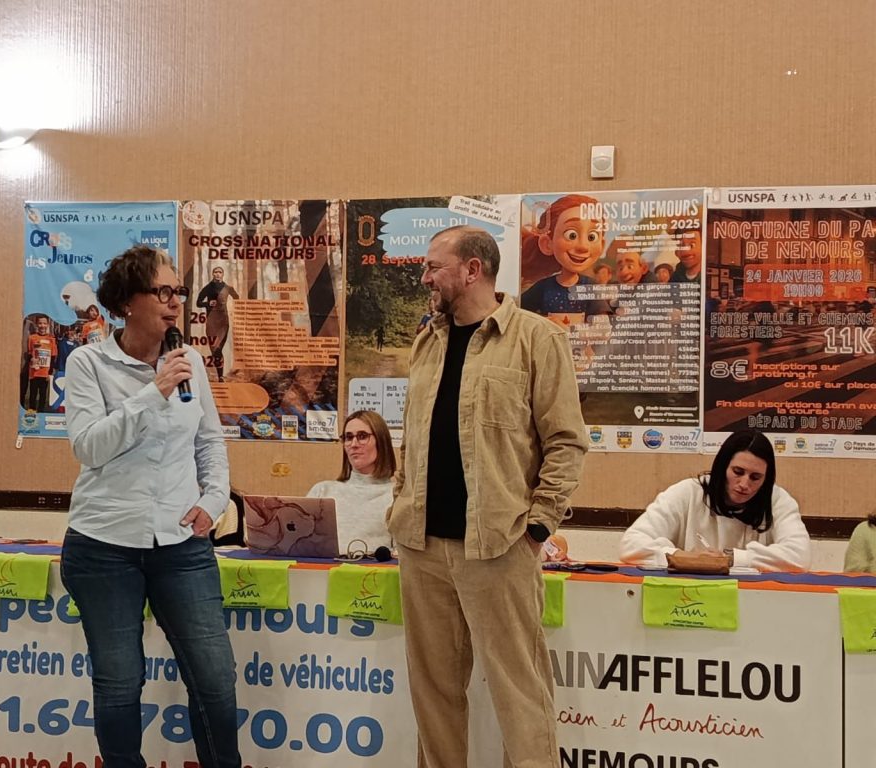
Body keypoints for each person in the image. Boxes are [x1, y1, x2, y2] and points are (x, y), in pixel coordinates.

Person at [388, 225, 588, 767]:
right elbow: (413, 436)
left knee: (520, 692)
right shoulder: (427, 342)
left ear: (472, 270)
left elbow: (567, 442)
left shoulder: (537, 339)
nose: (425, 278)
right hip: (422, 546)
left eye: (434, 267)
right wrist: (400, 501)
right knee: (432, 695)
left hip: (499, 546)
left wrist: (538, 526)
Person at [61, 244, 241, 768]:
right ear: (127, 302)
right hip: (103, 545)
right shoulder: (89, 363)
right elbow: (89, 447)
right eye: (163, 292)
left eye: (177, 291)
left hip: (182, 543)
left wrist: (213, 499)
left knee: (215, 677)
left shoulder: (190, 362)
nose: (175, 302)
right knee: (120, 681)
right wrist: (153, 391)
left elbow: (209, 441)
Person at [619, 429, 811, 572]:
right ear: (722, 467)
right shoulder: (687, 493)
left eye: (755, 477)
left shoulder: (778, 500)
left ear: (766, 480)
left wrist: (731, 558)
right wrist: (683, 556)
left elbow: (800, 557)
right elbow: (630, 545)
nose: (744, 484)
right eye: (738, 472)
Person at [306, 410, 394, 555]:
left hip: (373, 569)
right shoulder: (322, 491)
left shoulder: (397, 495)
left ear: (381, 441)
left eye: (362, 436)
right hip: (321, 568)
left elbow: (403, 555)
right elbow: (298, 544)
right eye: (348, 437)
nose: (354, 444)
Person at [520, 193, 612, 323]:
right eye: (571, 235)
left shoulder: (590, 286)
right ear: (547, 244)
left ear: (601, 245)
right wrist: (545, 322)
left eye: (592, 237)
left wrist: (578, 329)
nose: (583, 246)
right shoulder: (544, 287)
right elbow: (520, 313)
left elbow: (603, 326)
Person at [196, 266, 240, 382]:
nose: (217, 274)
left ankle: (220, 376)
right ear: (213, 274)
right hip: (211, 321)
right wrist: (207, 304)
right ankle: (219, 375)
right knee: (214, 348)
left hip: (223, 322)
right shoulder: (208, 288)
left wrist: (235, 310)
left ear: (223, 274)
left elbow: (237, 298)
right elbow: (198, 303)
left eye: (220, 272)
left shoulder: (228, 288)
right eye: (215, 272)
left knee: (218, 348)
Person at [25, 315, 57, 412]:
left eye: (44, 323)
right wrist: (31, 359)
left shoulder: (51, 339)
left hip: (45, 373)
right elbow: (29, 353)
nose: (42, 325)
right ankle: (31, 415)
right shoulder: (32, 337)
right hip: (34, 372)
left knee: (43, 395)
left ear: (47, 325)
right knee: (33, 395)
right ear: (36, 324)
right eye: (40, 323)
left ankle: (41, 413)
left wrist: (50, 373)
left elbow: (53, 356)